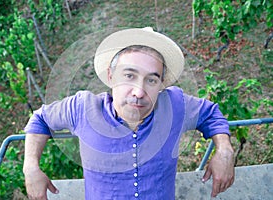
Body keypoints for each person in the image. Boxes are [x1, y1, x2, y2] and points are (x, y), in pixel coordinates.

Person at [23, 27, 234, 200]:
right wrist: (31, 167)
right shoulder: (82, 108)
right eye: (129, 76)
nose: (139, 92)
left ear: (161, 84)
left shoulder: (174, 105)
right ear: (111, 75)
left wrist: (224, 151)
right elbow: (40, 119)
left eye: (151, 80)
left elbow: (211, 113)